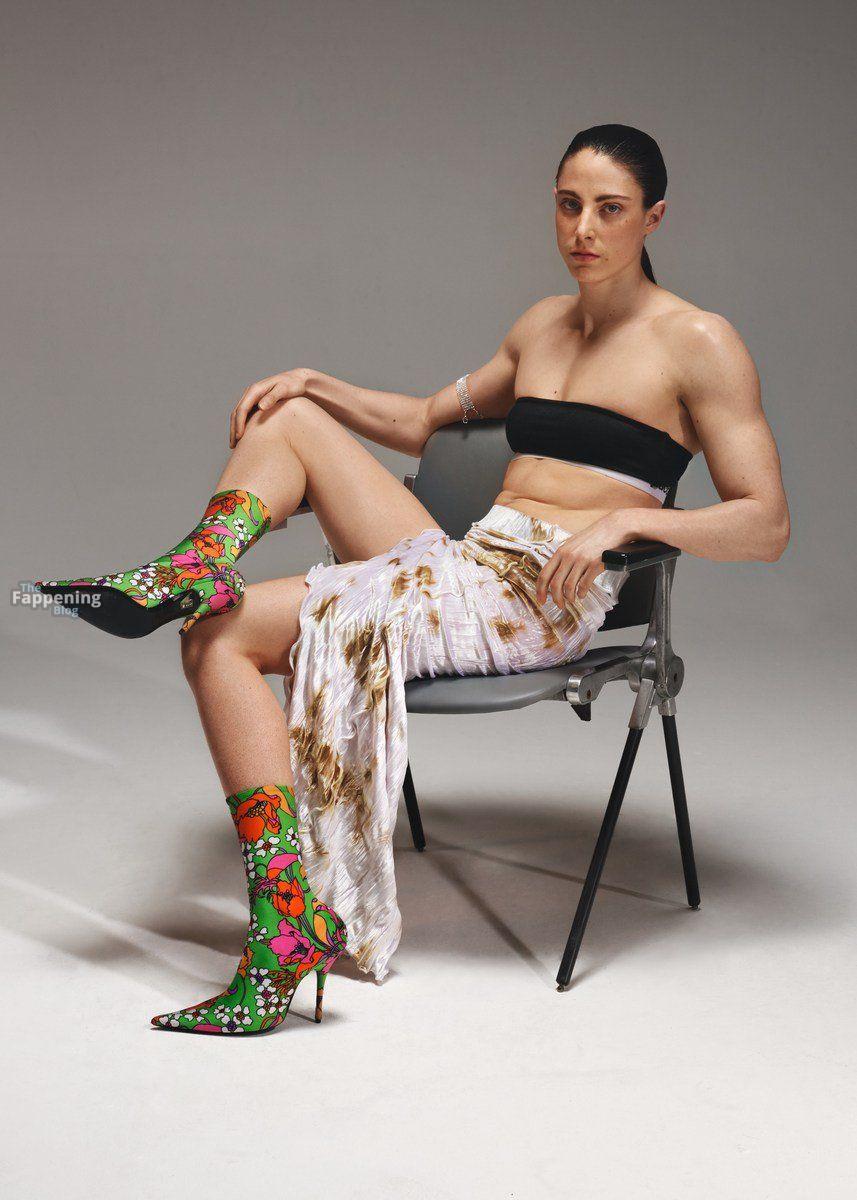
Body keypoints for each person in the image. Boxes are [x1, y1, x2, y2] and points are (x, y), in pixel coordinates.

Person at [35, 123, 790, 1036]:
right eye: (567, 205)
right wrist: (316, 380)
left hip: (536, 601)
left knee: (217, 635)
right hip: (469, 563)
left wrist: (631, 520)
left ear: (653, 218)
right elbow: (424, 418)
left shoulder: (698, 341)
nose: (583, 229)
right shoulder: (542, 326)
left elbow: (764, 524)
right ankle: (193, 566)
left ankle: (282, 928)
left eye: (609, 209)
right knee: (292, 418)